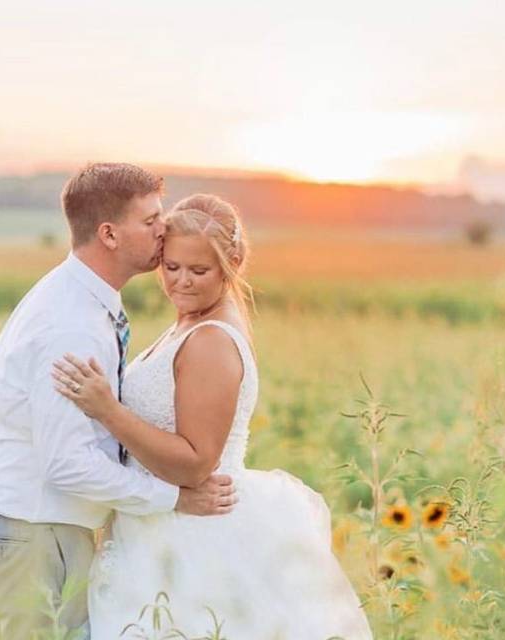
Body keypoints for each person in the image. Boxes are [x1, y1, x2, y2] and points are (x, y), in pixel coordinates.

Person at [52, 194, 374, 639]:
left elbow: (196, 462)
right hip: (156, 526)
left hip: (196, 536)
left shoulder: (210, 341)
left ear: (232, 264)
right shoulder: (188, 321)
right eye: (172, 267)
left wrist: (108, 410)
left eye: (199, 271)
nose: (181, 282)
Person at [0, 165, 236, 640]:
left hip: (45, 530)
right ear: (109, 233)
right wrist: (174, 499)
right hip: (33, 532)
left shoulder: (85, 302)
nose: (163, 228)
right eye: (150, 220)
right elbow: (66, 464)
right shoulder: (71, 323)